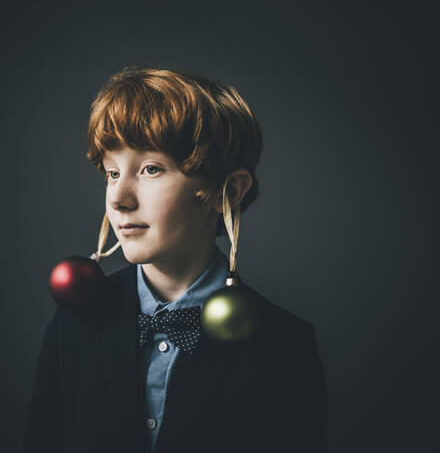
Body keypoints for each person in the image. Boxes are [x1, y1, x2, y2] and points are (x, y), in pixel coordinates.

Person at [22, 66, 328, 453]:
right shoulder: (74, 321)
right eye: (111, 173)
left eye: (151, 169)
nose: (119, 198)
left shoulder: (285, 346)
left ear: (228, 191)